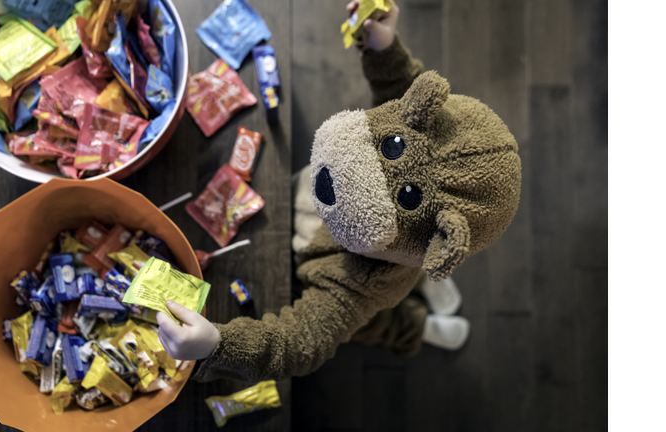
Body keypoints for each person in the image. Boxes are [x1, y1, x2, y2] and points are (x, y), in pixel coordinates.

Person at [155, 0, 521, 382]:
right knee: (411, 264)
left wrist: (218, 345)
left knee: (374, 323)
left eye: (409, 196)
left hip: (354, 276)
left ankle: (416, 327)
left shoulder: (366, 281)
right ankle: (428, 278)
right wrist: (384, 47)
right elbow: (401, 91)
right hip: (356, 232)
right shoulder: (412, 117)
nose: (344, 175)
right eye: (392, 145)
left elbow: (303, 341)